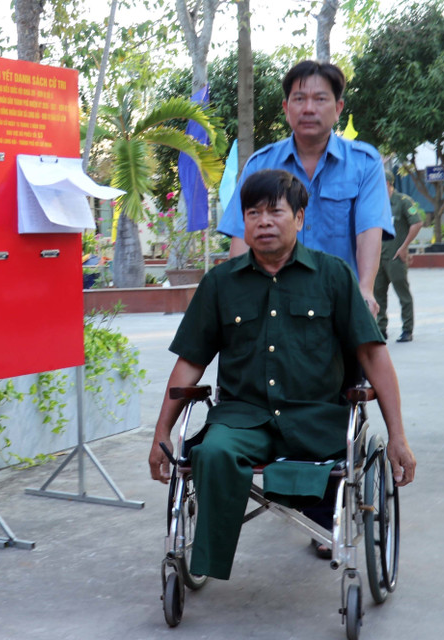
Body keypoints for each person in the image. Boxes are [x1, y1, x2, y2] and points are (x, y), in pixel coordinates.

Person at [148, 169, 416, 581]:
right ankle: (208, 562)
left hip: (316, 419)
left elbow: (373, 354)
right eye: (253, 213)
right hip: (242, 417)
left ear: (300, 218)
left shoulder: (333, 276)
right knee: (211, 452)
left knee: (328, 465)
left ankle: (325, 527)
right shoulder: (220, 284)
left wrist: (397, 435)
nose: (264, 221)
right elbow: (189, 362)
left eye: (275, 211)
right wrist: (161, 433)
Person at [219, 60, 394, 317]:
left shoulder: (364, 163)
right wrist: (238, 292)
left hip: (339, 303)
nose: (309, 108)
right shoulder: (261, 163)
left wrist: (364, 290)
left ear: (338, 108)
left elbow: (369, 230)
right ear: (286, 108)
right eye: (299, 99)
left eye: (320, 99)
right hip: (272, 305)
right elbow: (242, 234)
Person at [374, 170, 424, 342]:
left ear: (388, 184)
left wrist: (404, 247)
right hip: (378, 257)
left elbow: (417, 223)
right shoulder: (375, 203)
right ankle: (381, 329)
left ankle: (407, 330)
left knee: (403, 294)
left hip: (395, 256)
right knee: (378, 295)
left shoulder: (403, 201)